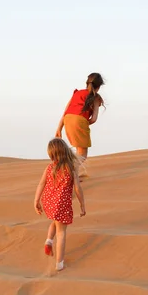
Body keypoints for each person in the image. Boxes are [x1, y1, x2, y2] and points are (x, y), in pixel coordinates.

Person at [34, 138, 86, 272]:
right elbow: (77, 189)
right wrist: (82, 205)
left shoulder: (49, 167)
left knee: (56, 221)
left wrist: (36, 200)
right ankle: (59, 264)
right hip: (62, 204)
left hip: (49, 202)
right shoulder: (71, 168)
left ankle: (48, 241)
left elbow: (41, 184)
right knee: (61, 232)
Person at [55, 72, 105, 177]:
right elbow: (94, 119)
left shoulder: (77, 93)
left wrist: (59, 129)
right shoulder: (96, 97)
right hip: (80, 120)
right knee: (82, 153)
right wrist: (84, 123)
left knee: (78, 150)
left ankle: (73, 175)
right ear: (99, 86)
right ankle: (70, 175)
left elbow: (66, 111)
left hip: (67, 119)